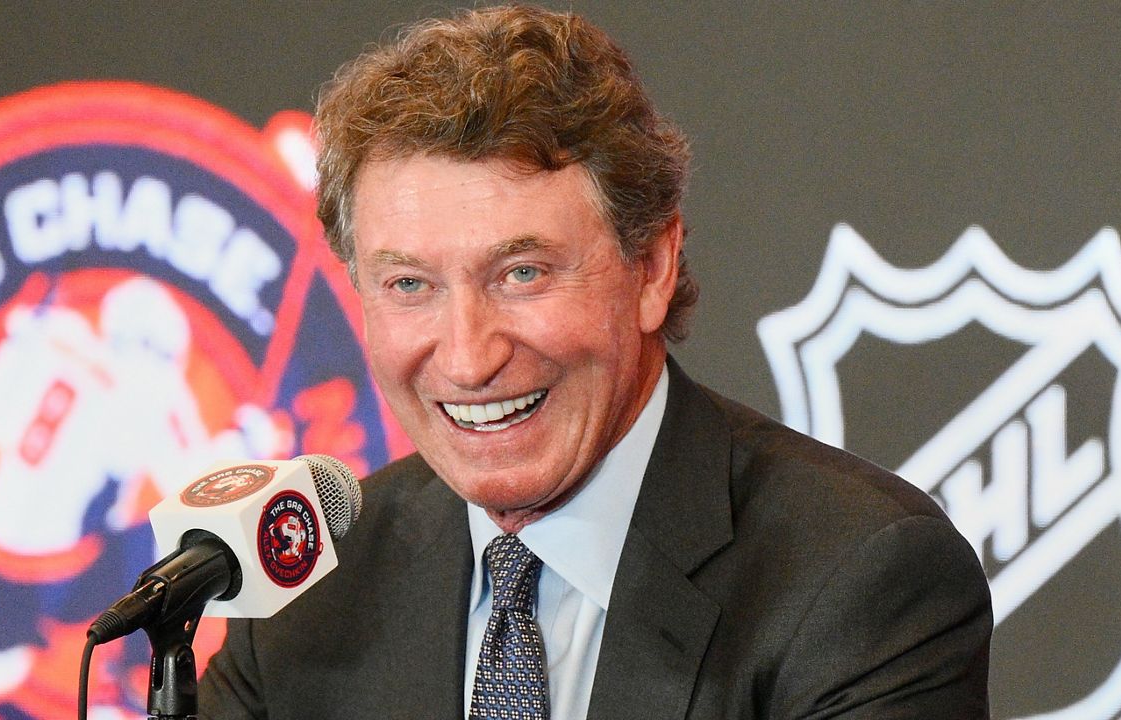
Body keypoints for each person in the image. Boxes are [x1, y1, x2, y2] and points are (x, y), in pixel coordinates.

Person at [199, 5, 992, 718]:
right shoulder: (308, 588)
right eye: (410, 284)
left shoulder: (858, 579)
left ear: (651, 268)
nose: (469, 358)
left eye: (523, 274)